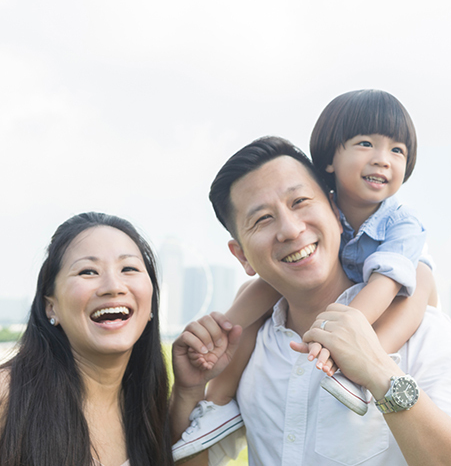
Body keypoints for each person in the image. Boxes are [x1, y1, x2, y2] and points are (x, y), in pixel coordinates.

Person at [172, 90, 436, 461]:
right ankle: (217, 399)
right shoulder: (261, 337)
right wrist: (197, 374)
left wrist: (363, 349)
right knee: (254, 295)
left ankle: (360, 368)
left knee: (419, 282)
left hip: (389, 300)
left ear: (327, 206)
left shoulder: (400, 227)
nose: (292, 228)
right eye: (262, 218)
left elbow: (401, 282)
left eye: (397, 150)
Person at [0, 212, 173, 466]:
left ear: (150, 303)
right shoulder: (9, 395)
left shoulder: (149, 404)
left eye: (129, 268)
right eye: (88, 271)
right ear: (51, 307)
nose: (113, 286)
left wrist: (190, 391)